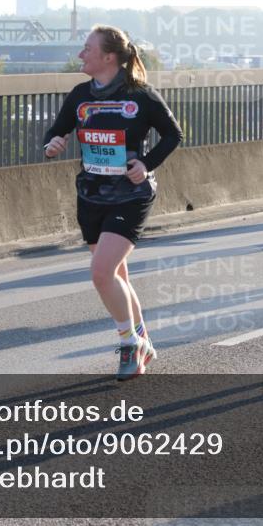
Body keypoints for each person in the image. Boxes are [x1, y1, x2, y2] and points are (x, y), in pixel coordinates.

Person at [43, 25, 183, 380]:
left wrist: (145, 165)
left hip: (131, 196)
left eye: (86, 49)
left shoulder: (141, 96)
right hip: (91, 194)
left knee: (101, 272)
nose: (80, 55)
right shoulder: (79, 95)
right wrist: (54, 143)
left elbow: (173, 134)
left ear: (108, 57)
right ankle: (143, 339)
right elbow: (56, 129)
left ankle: (128, 344)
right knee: (117, 274)